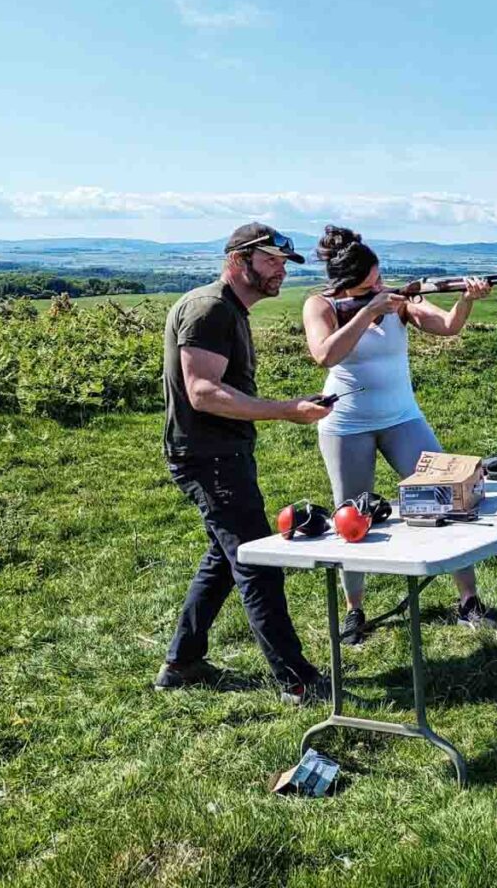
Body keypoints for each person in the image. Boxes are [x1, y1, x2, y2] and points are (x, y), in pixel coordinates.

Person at [155, 222, 332, 705]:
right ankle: (296, 678)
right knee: (258, 564)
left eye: (282, 263)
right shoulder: (210, 309)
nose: (280, 271)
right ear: (239, 261)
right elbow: (203, 392)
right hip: (209, 458)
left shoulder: (227, 309)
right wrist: (286, 410)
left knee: (223, 559)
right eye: (271, 261)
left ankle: (182, 662)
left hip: (220, 453)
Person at [302, 225, 497, 646]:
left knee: (447, 496)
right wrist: (369, 310)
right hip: (346, 424)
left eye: (380, 277)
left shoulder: (399, 301)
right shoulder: (319, 305)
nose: (381, 285)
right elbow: (325, 354)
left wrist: (466, 300)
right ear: (346, 284)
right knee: (351, 518)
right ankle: (355, 611)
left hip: (402, 417)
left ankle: (468, 600)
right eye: (371, 283)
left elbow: (447, 327)